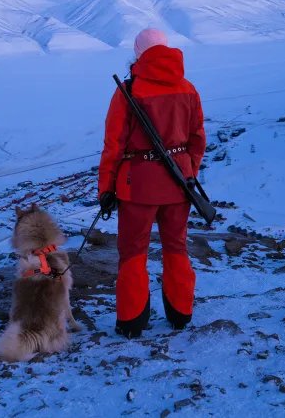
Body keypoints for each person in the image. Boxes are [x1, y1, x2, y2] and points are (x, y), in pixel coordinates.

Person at [97, 28, 206, 338]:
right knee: (176, 248)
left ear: (138, 53)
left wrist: (106, 187)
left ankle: (132, 322)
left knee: (133, 252)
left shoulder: (129, 91)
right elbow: (197, 139)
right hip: (178, 184)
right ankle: (181, 315)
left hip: (137, 186)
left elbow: (113, 145)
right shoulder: (188, 88)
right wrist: (186, 170)